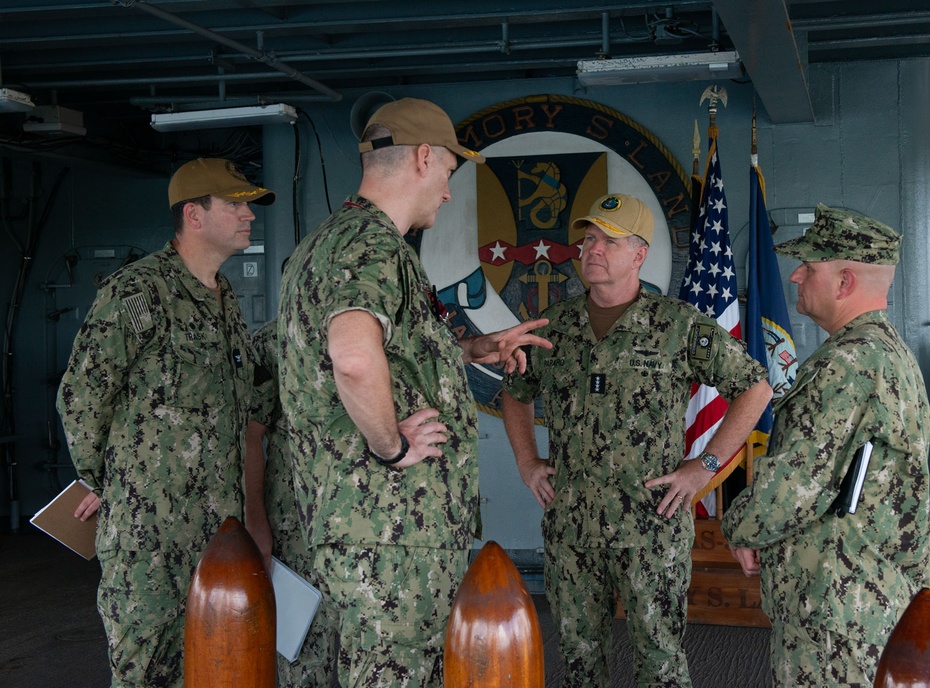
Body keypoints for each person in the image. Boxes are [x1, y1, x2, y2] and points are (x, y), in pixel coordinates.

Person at [277, 97, 552, 687]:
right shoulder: (371, 246)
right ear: (424, 157)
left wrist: (472, 351)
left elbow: (384, 357)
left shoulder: (326, 245)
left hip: (360, 527)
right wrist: (389, 446)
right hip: (390, 535)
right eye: (449, 174)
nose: (449, 193)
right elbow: (351, 358)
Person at [501, 193, 773, 688]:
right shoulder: (553, 328)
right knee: (579, 662)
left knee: (659, 662)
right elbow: (515, 393)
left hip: (651, 526)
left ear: (639, 254)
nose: (593, 249)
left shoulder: (678, 324)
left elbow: (755, 388)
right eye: (588, 240)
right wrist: (526, 460)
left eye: (609, 240)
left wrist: (705, 465)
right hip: (572, 528)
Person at [56, 158, 274, 688]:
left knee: (210, 668)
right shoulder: (138, 293)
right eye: (235, 205)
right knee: (145, 671)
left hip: (214, 533)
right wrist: (106, 482)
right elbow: (82, 396)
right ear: (193, 216)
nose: (249, 215)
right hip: (149, 539)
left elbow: (245, 402)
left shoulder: (225, 302)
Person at [720, 204, 930, 687]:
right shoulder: (888, 353)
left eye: (809, 267)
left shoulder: (847, 364)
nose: (794, 276)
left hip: (838, 608)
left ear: (844, 282)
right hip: (870, 591)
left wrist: (738, 526)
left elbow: (795, 485)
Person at [245, 316, 340, 688]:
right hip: (297, 527)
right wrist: (256, 522)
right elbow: (251, 436)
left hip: (372, 526)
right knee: (301, 660)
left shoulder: (381, 330)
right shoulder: (273, 339)